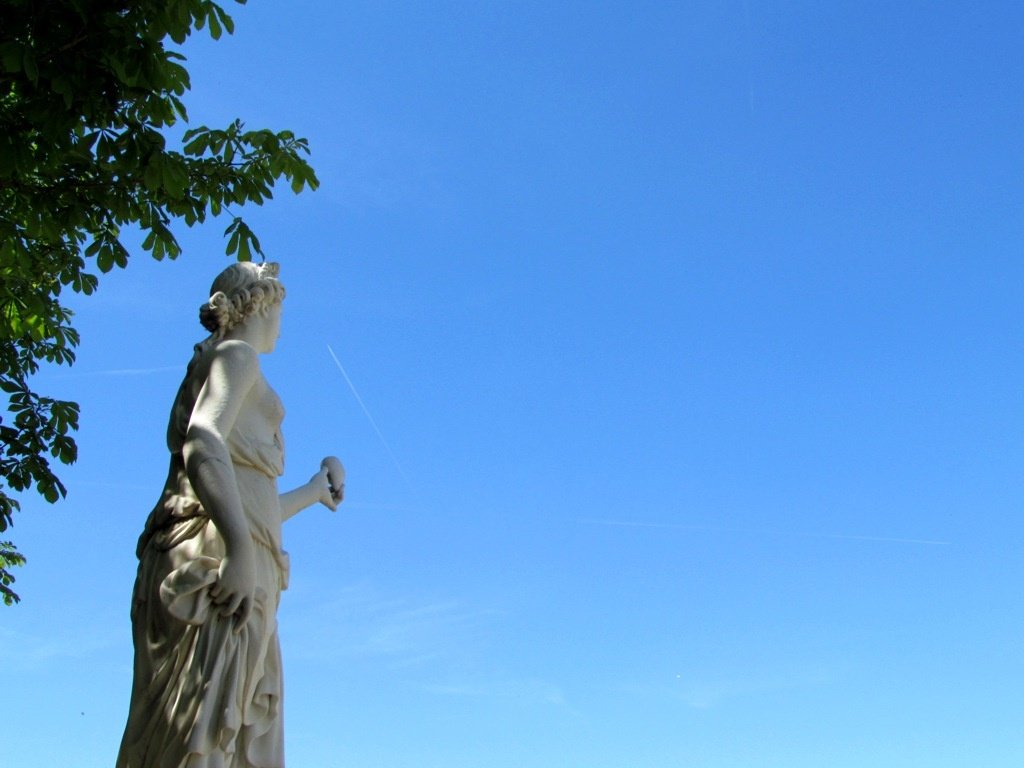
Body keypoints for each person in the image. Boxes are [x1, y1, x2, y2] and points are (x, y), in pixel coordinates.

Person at [117, 262, 344, 768]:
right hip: (217, 559)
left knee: (221, 733)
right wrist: (239, 550)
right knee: (205, 731)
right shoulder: (238, 356)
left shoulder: (223, 360)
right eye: (282, 306)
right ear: (262, 302)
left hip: (231, 551)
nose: (284, 321)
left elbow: (253, 511)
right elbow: (204, 440)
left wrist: (311, 492)